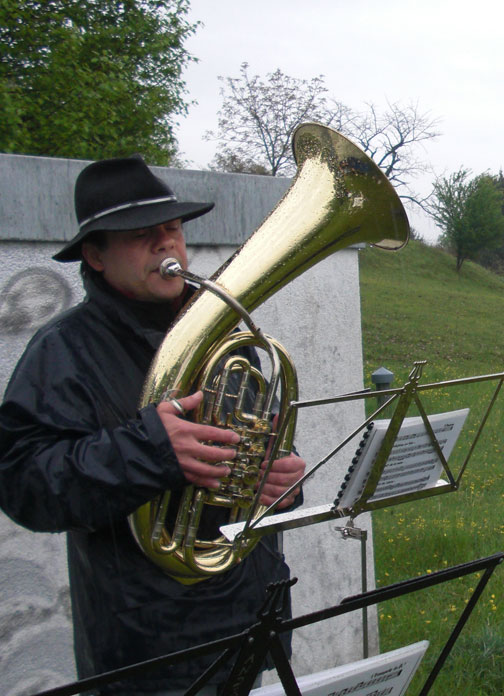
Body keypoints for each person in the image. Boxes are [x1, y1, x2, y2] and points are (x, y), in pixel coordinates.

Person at [0, 155, 306, 695]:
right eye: (141, 235)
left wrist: (277, 483)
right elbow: (25, 484)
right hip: (147, 649)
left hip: (248, 618)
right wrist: (149, 448)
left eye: (172, 230)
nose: (166, 245)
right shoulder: (64, 350)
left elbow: (250, 449)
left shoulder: (223, 336)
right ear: (94, 256)